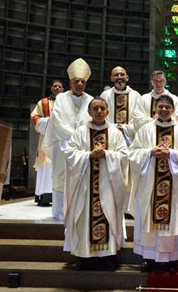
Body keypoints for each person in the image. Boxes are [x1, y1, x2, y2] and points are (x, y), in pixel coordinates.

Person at [128, 95, 178, 273]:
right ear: (155, 108)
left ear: (173, 109)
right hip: (150, 186)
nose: (164, 110)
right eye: (161, 107)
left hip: (173, 187)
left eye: (167, 107)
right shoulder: (146, 129)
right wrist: (150, 152)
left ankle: (171, 259)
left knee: (172, 220)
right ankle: (150, 258)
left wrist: (171, 154)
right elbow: (132, 154)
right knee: (150, 219)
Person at [63, 98, 129, 270]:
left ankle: (108, 257)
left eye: (102, 108)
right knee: (85, 218)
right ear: (89, 112)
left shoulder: (115, 133)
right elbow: (70, 154)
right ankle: (86, 257)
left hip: (109, 185)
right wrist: (90, 155)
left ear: (107, 111)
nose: (99, 111)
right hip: (85, 185)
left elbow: (124, 156)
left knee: (109, 217)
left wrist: (106, 154)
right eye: (95, 108)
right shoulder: (80, 132)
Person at [42, 58, 93, 220]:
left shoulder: (91, 100)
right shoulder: (61, 98)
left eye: (82, 81)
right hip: (63, 145)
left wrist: (81, 139)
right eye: (76, 81)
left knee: (82, 178)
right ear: (70, 82)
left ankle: (81, 211)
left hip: (84, 148)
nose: (79, 84)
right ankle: (59, 213)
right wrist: (75, 136)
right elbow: (56, 120)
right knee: (61, 177)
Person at [31, 80, 64, 206]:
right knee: (45, 166)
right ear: (51, 88)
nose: (57, 88)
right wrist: (50, 121)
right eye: (55, 86)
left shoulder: (67, 102)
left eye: (59, 86)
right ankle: (44, 196)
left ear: (63, 89)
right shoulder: (43, 102)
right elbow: (35, 117)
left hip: (62, 139)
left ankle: (59, 196)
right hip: (46, 138)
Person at [100, 66, 142, 144]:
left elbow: (139, 118)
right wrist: (113, 127)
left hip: (129, 138)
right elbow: (100, 116)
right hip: (110, 135)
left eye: (122, 74)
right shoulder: (105, 95)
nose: (119, 77)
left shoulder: (136, 95)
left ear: (127, 78)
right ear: (111, 78)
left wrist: (125, 128)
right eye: (116, 75)